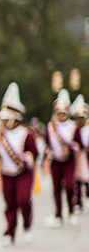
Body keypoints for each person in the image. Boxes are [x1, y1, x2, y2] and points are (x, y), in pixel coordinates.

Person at [0, 83, 37, 244]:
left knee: (23, 200)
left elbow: (34, 153)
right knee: (10, 203)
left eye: (6, 119)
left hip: (23, 172)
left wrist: (23, 161)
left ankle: (27, 226)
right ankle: (10, 232)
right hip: (6, 172)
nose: (3, 122)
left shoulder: (26, 134)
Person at [44, 89, 80, 227]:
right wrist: (49, 152)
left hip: (69, 161)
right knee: (56, 187)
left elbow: (78, 144)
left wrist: (69, 149)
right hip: (55, 161)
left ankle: (71, 210)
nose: (61, 115)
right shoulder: (50, 126)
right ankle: (58, 214)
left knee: (70, 186)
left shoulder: (73, 126)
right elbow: (46, 143)